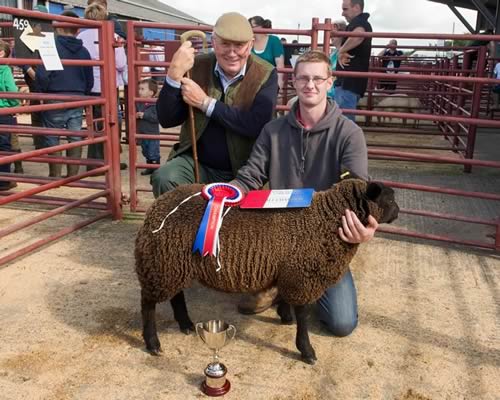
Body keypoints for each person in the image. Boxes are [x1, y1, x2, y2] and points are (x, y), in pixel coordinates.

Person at [231, 51, 378, 334]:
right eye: (303, 78)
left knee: (342, 323)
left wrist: (366, 228)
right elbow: (252, 174)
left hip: (324, 238)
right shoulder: (272, 131)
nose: (310, 85)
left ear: (329, 82)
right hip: (278, 233)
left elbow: (356, 189)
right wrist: (231, 192)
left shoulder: (349, 134)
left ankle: (297, 282)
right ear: (294, 82)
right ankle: (275, 282)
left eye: (317, 78)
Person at [151, 12, 278, 197]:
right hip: (198, 165)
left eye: (239, 45)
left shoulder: (265, 74)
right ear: (214, 41)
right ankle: (184, 226)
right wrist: (173, 76)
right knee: (165, 178)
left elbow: (256, 125)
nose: (232, 52)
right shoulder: (195, 66)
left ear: (250, 44)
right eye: (225, 43)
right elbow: (167, 119)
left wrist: (205, 103)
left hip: (245, 169)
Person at [36, 10, 94, 177]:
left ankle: (55, 175)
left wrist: (42, 91)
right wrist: (84, 93)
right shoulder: (84, 52)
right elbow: (89, 79)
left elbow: (43, 75)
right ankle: (73, 174)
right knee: (75, 136)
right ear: (77, 30)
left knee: (52, 136)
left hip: (55, 96)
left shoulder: (51, 48)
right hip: (77, 96)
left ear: (58, 28)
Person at [78, 3, 127, 170]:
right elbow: (121, 63)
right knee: (112, 123)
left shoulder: (80, 37)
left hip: (89, 86)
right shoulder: (112, 35)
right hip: (108, 86)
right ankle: (108, 160)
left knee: (94, 123)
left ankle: (95, 161)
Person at [334, 0, 372, 121]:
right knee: (342, 118)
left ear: (356, 7)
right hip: (347, 82)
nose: (342, 13)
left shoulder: (360, 22)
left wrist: (340, 51)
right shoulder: (356, 24)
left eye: (345, 9)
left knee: (345, 120)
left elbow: (359, 35)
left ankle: (348, 140)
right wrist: (340, 46)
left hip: (349, 83)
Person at [0, 40, 19, 191]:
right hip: (3, 112)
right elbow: (11, 90)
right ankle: (4, 180)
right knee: (4, 145)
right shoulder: (4, 69)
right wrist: (15, 104)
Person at [249, 16, 285, 89]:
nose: (250, 30)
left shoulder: (274, 40)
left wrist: (278, 85)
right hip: (250, 81)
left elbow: (280, 64)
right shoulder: (249, 42)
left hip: (269, 81)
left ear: (261, 27)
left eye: (252, 27)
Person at [136, 79, 160, 175]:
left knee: (153, 152)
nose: (139, 91)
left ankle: (155, 168)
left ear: (151, 92)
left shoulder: (155, 104)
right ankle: (149, 167)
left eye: (142, 89)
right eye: (139, 89)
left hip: (152, 133)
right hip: (142, 133)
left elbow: (157, 118)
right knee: (145, 151)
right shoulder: (139, 102)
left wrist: (144, 115)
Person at [327, 19, 347, 100]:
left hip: (334, 92)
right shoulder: (334, 53)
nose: (331, 36)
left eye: (333, 33)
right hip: (328, 90)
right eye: (331, 34)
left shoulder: (345, 53)